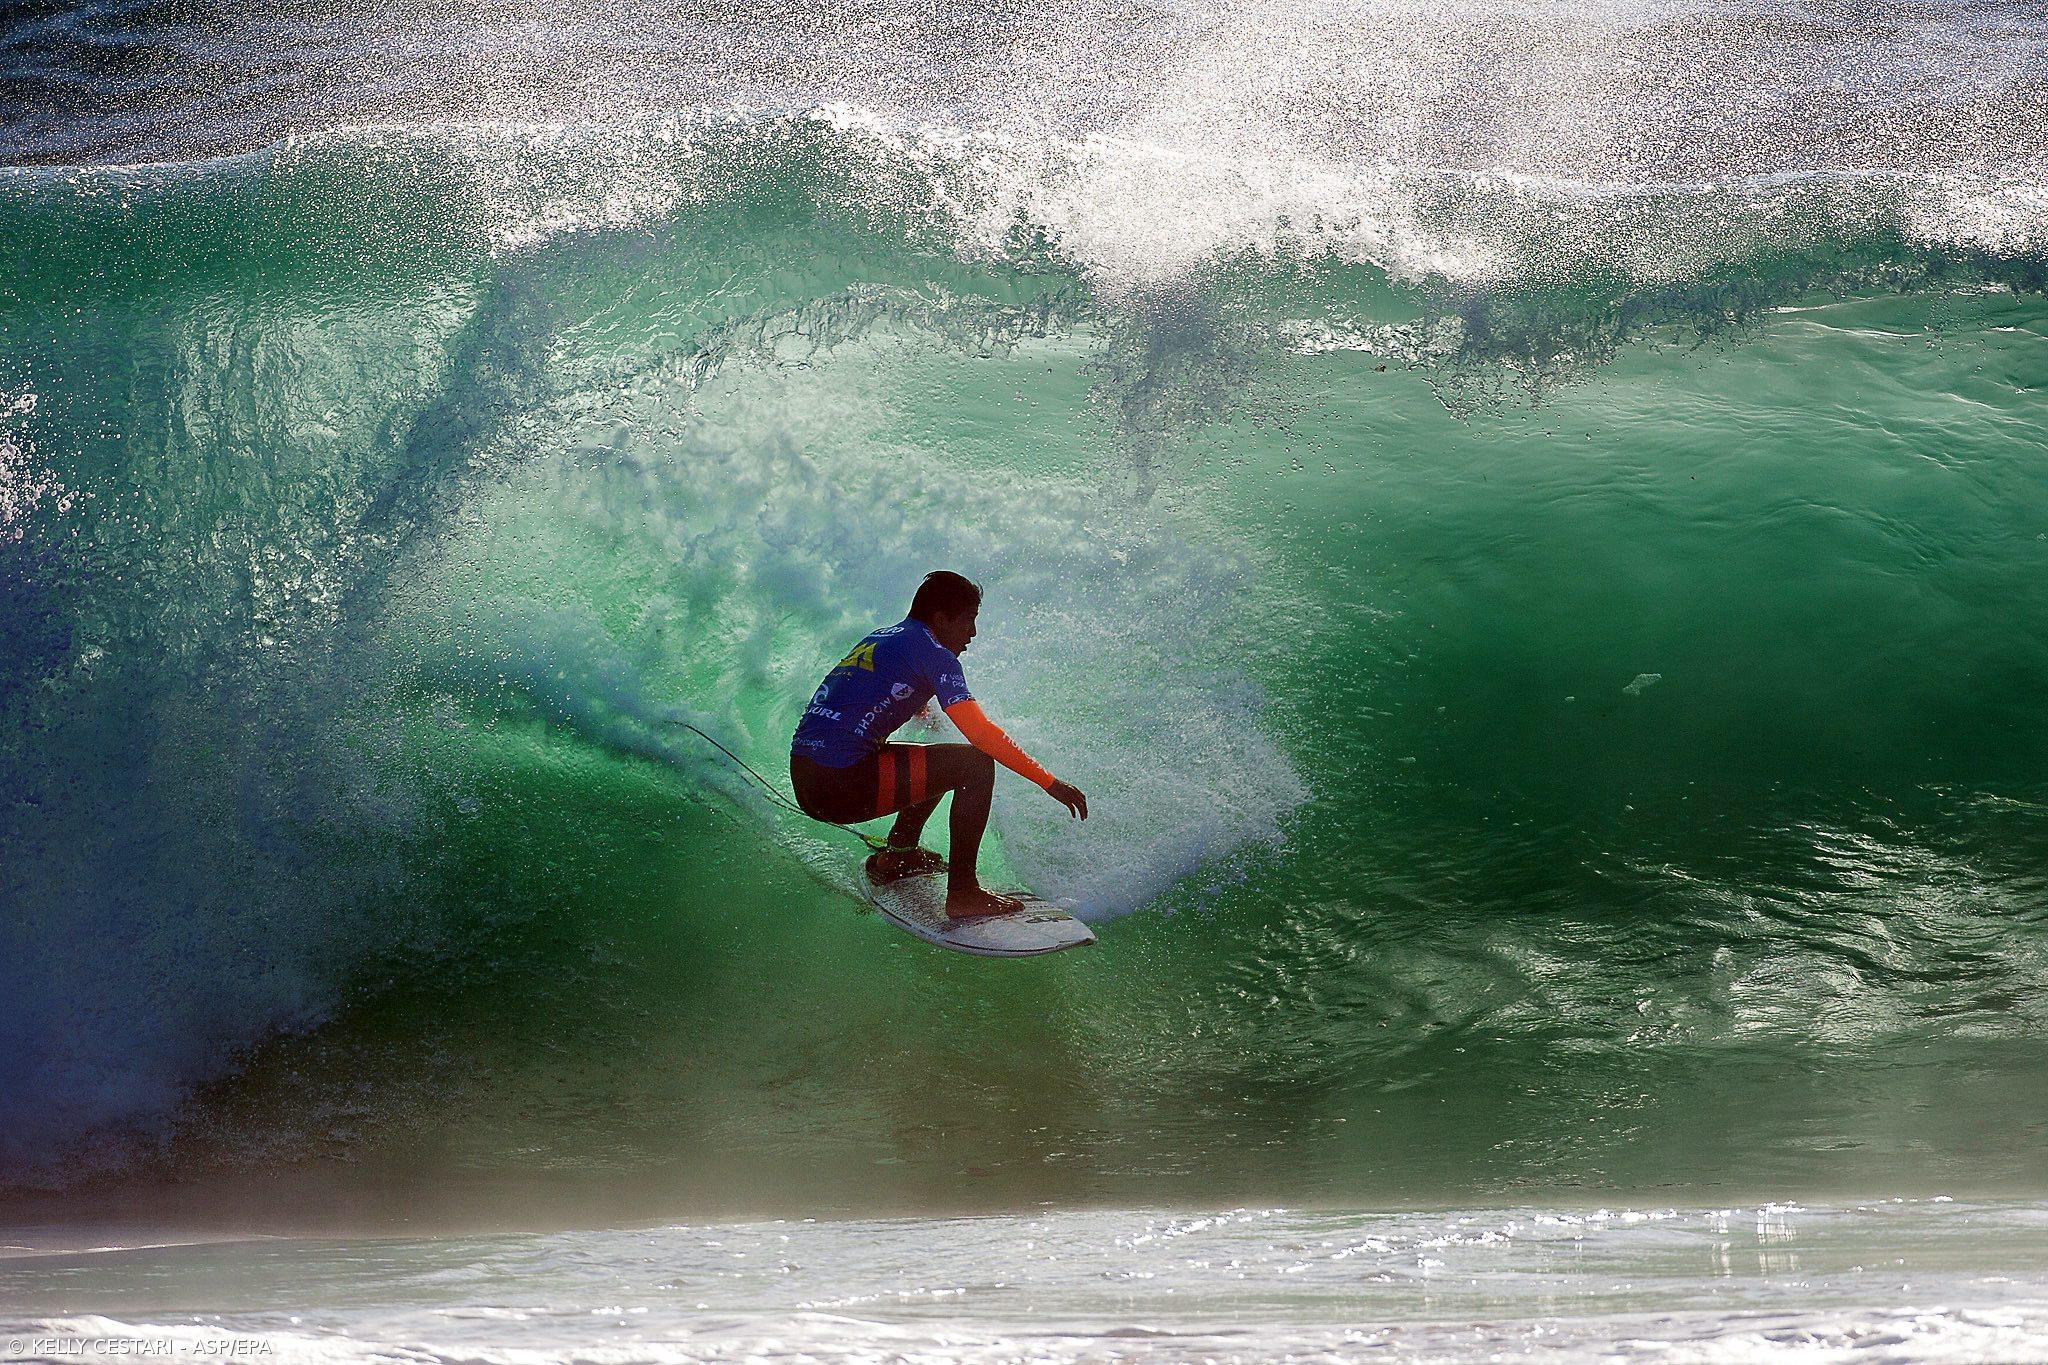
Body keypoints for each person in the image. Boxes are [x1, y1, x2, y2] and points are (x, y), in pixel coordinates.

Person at [790, 571, 1089, 918]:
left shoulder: (886, 637)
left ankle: (898, 855)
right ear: (941, 618)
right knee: (974, 764)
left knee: (941, 759)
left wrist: (922, 711)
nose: (972, 633)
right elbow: (981, 735)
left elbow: (871, 689)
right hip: (840, 785)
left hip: (808, 777)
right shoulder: (936, 655)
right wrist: (1049, 782)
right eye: (968, 621)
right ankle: (963, 893)